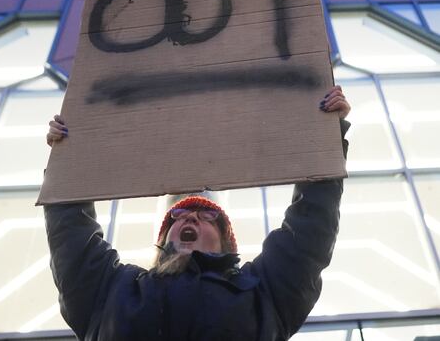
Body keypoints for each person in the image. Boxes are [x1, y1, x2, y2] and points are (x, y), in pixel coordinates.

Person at [44, 85, 351, 341]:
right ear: (163, 238)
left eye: (205, 216)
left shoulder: (265, 292)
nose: (189, 217)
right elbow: (71, 235)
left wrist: (327, 135)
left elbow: (311, 227)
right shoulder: (109, 291)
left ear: (227, 242)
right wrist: (66, 156)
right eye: (177, 217)